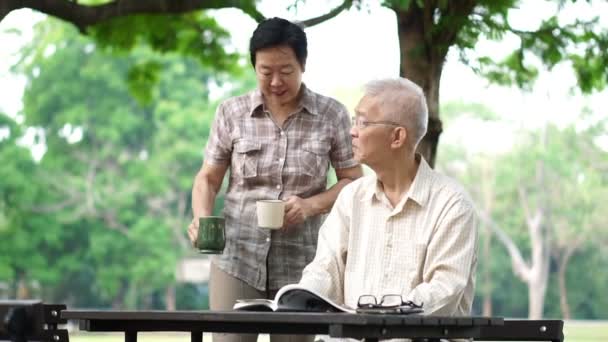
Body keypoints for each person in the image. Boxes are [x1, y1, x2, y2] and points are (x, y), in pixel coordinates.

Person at [187, 17, 363, 342]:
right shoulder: (231, 112)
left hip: (303, 262)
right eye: (266, 72)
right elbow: (208, 179)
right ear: (254, 66)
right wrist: (201, 219)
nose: (276, 81)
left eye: (286, 71)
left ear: (304, 64)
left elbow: (353, 181)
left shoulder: (332, 115)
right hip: (237, 256)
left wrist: (311, 205)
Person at [299, 77, 478, 318]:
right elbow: (325, 269)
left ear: (397, 137)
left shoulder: (452, 204)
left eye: (362, 122)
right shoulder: (351, 197)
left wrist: (380, 316)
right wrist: (302, 296)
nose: (352, 131)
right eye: (354, 120)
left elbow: (444, 290)